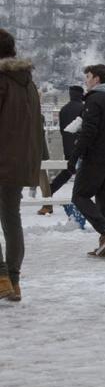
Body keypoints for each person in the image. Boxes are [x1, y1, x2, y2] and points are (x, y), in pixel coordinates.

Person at [0, 29, 42, 302]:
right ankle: (14, 281)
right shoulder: (28, 83)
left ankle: (2, 277)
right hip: (20, 162)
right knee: (11, 220)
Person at [69, 64, 105, 258]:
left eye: (89, 76)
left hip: (95, 158)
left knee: (79, 196)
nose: (86, 80)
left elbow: (89, 131)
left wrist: (75, 155)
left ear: (97, 79)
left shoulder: (94, 100)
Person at [59, 85, 85, 160]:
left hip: (67, 150)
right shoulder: (85, 108)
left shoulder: (63, 109)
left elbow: (62, 130)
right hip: (82, 149)